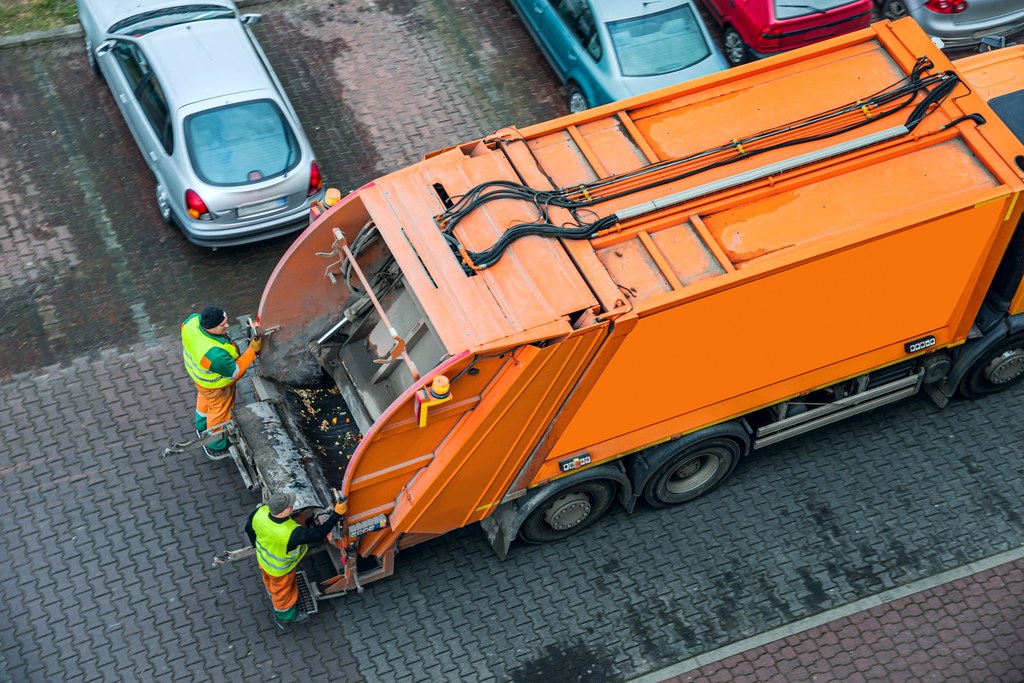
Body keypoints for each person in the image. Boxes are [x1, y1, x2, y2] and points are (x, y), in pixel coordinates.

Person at [244, 491, 348, 626]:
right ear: (281, 514)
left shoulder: (260, 512)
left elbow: (249, 529)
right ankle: (286, 614)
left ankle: (272, 592)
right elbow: (318, 534)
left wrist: (255, 545)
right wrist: (337, 514)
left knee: (270, 582)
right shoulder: (290, 533)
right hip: (280, 570)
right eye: (289, 506)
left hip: (264, 560)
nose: (292, 506)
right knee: (283, 592)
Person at [180, 306, 261, 457]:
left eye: (226, 321)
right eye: (222, 325)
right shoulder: (215, 355)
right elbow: (234, 372)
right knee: (220, 413)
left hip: (201, 379)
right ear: (210, 327)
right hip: (217, 386)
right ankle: (217, 445)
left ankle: (202, 425)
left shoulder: (192, 321)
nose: (227, 326)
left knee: (204, 400)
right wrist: (252, 351)